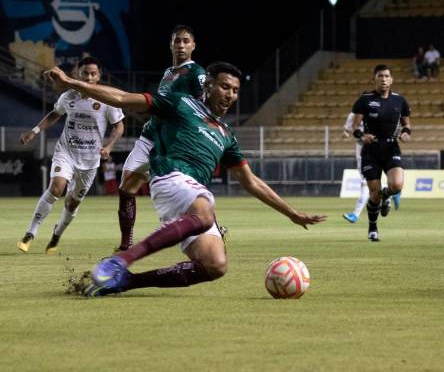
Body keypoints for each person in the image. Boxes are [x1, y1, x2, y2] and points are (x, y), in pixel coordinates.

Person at [43, 61, 326, 296]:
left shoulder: (226, 134)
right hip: (170, 177)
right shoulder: (180, 104)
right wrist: (71, 82)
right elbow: (120, 98)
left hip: (190, 193)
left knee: (215, 265)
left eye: (236, 90)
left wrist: (292, 213)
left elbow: (251, 182)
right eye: (225, 86)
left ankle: (126, 281)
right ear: (208, 85)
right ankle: (120, 260)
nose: (230, 94)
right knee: (205, 212)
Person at [16, 57, 125, 254]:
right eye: (85, 73)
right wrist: (34, 131)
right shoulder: (68, 96)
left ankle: (57, 234)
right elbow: (55, 114)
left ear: (99, 76)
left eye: (93, 73)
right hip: (66, 152)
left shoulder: (107, 99)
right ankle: (30, 233)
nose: (89, 77)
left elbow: (119, 126)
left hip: (90, 161)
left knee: (72, 202)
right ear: (77, 74)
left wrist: (108, 146)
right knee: (56, 188)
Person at [115, 25, 206, 251]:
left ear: (193, 45)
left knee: (185, 194)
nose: (181, 45)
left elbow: (203, 109)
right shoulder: (168, 72)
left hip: (172, 142)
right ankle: (126, 244)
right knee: (126, 188)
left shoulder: (197, 73)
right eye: (177, 41)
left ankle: (211, 225)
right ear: (171, 44)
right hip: (149, 135)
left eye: (186, 41)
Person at [351, 64, 412, 242]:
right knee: (374, 194)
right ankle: (373, 228)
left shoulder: (400, 101)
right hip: (371, 151)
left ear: (391, 79)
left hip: (391, 147)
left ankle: (387, 197)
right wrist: (362, 136)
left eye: (386, 76)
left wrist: (406, 133)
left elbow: (407, 124)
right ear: (374, 79)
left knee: (397, 185)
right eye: (380, 76)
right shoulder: (365, 100)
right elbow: (354, 127)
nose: (384, 79)